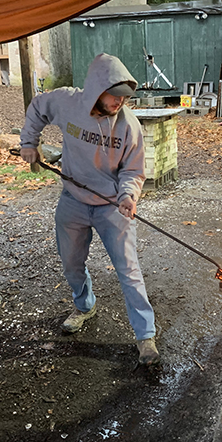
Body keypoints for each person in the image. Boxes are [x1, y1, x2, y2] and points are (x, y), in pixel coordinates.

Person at [20, 53, 160, 366]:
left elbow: (133, 171)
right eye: (114, 95)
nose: (119, 102)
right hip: (73, 199)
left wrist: (128, 195)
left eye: (125, 97)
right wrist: (30, 142)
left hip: (111, 206)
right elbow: (37, 108)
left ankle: (145, 335)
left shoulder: (128, 126)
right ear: (97, 89)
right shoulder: (68, 103)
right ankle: (84, 306)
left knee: (129, 271)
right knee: (71, 263)